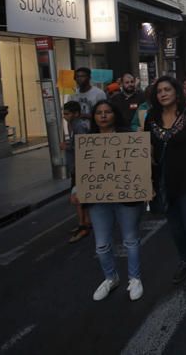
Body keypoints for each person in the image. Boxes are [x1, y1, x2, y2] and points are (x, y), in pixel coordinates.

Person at [145, 76, 186, 291]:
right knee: (175, 228)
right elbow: (146, 147)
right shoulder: (151, 117)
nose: (163, 93)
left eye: (167, 89)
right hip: (163, 182)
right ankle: (184, 261)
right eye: (159, 91)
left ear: (176, 92)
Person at [86, 100, 145, 301]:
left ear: (114, 115)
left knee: (131, 239)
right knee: (101, 245)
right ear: (94, 117)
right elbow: (80, 170)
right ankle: (110, 278)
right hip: (98, 199)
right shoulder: (87, 140)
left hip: (127, 197)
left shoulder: (128, 137)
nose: (103, 116)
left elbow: (141, 166)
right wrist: (77, 188)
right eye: (99, 113)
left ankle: (135, 279)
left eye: (107, 112)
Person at [61, 101, 91, 242]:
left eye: (67, 113)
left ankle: (83, 225)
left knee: (78, 198)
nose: (64, 116)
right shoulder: (74, 126)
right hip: (76, 167)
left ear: (76, 114)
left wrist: (67, 147)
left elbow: (82, 147)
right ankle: (85, 222)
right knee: (80, 197)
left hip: (80, 168)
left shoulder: (79, 126)